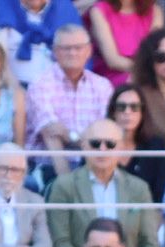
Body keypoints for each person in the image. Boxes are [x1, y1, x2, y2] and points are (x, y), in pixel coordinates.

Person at [45, 118, 161, 247]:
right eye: (95, 143)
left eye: (110, 144)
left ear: (121, 148)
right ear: (83, 146)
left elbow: (149, 245)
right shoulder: (64, 186)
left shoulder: (139, 188)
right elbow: (60, 243)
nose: (102, 149)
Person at [25, 24, 114, 176]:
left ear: (89, 51)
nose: (73, 53)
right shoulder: (40, 84)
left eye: (78, 47)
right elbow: (51, 136)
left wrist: (70, 136)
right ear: (55, 52)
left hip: (94, 164)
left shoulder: (102, 85)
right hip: (49, 166)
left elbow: (104, 136)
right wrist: (67, 185)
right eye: (66, 48)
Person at [110, 82, 165, 200]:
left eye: (134, 107)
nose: (128, 112)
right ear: (113, 112)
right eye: (121, 107)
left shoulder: (156, 147)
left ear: (142, 112)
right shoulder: (99, 144)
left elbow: (159, 194)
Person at [88, 0, 162, 88]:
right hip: (113, 73)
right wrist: (143, 69)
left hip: (147, 70)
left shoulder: (155, 10)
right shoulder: (99, 10)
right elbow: (112, 60)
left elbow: (153, 50)